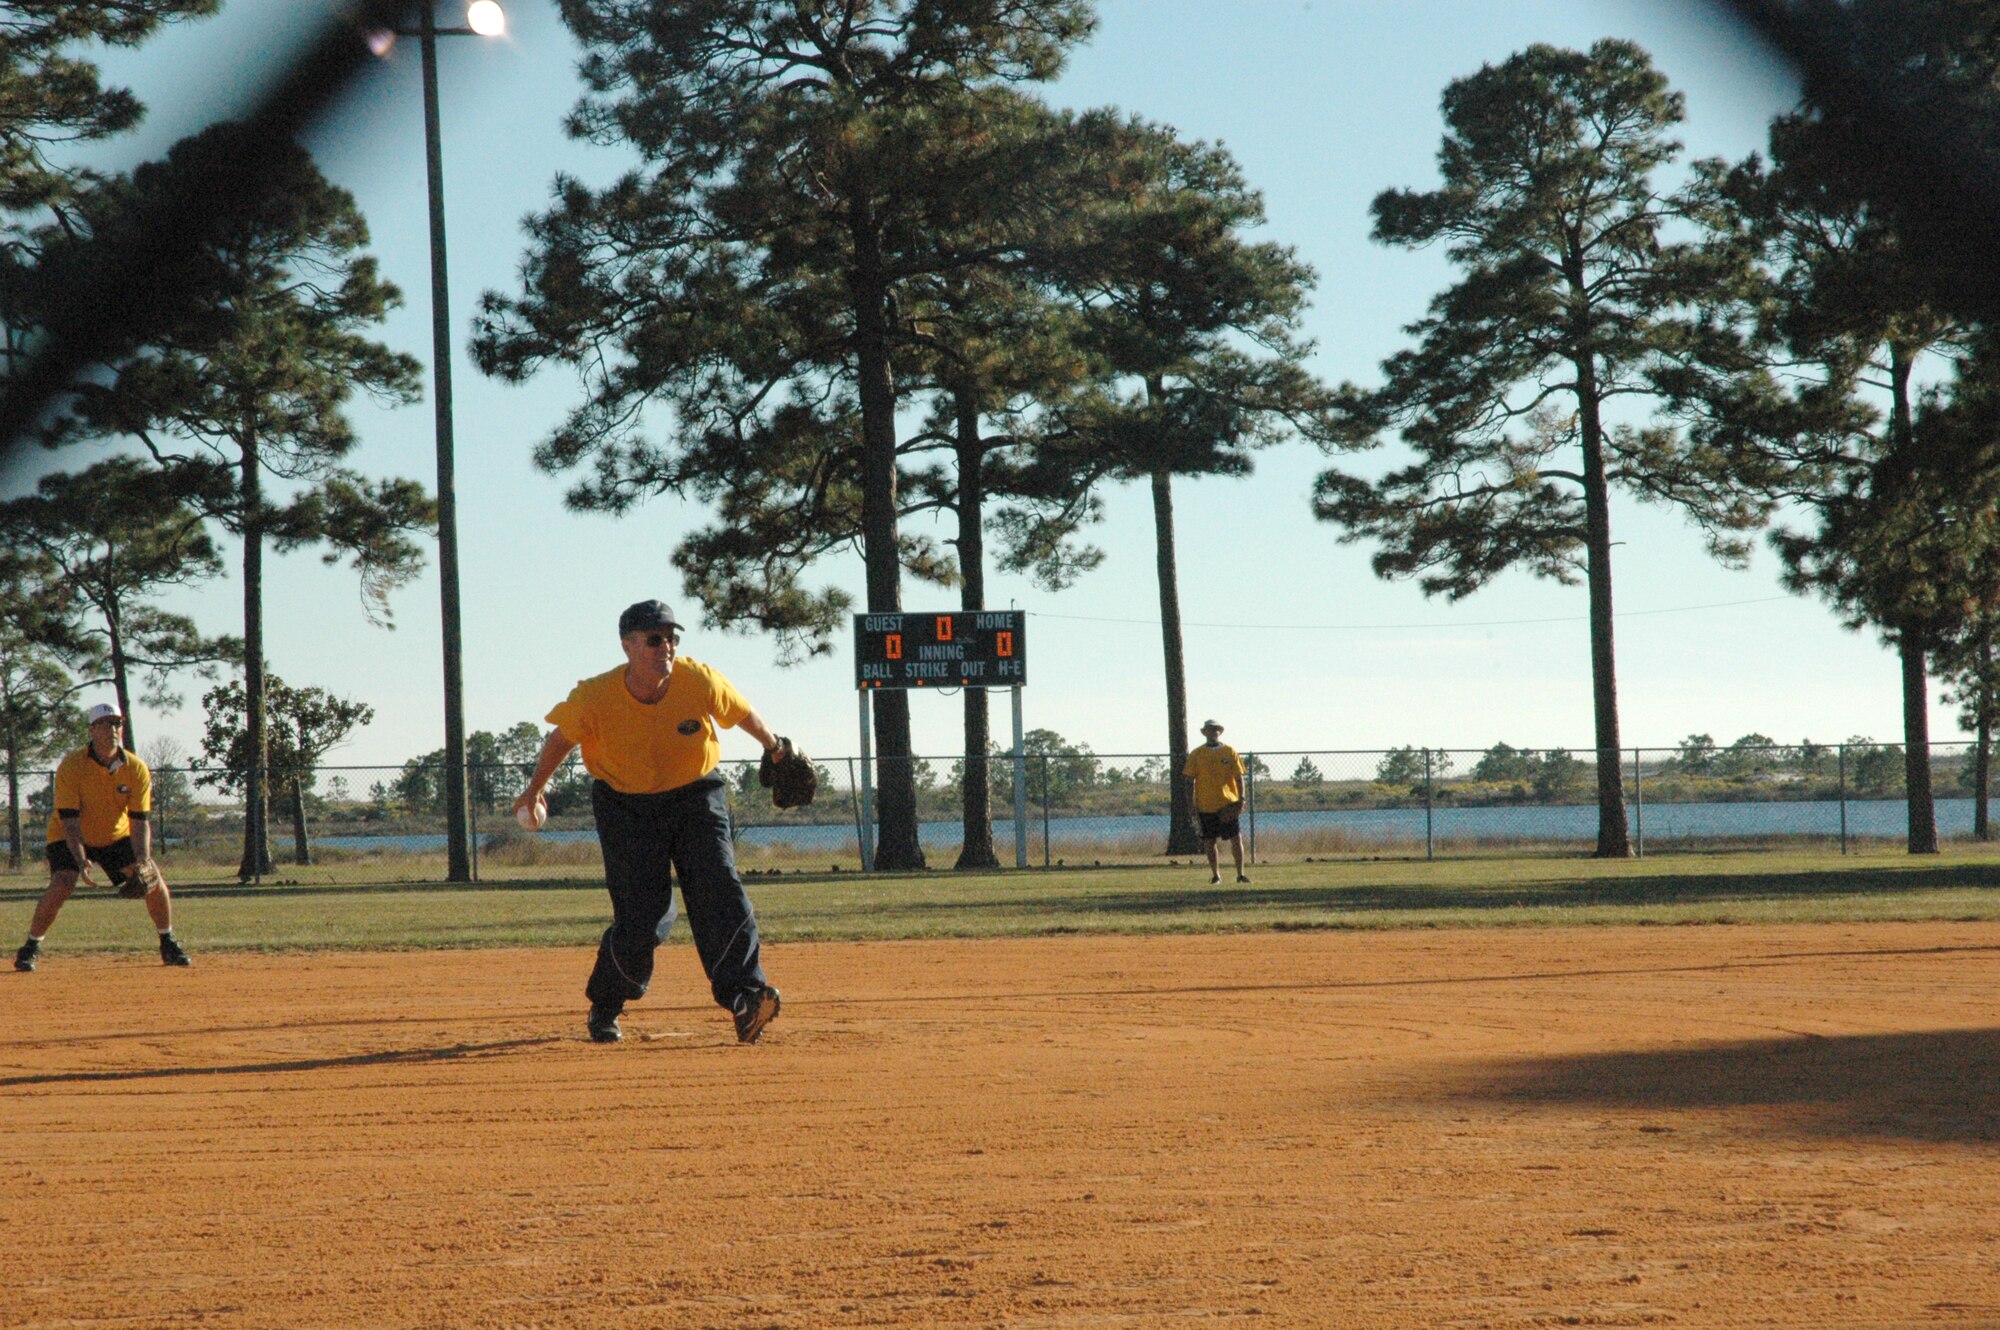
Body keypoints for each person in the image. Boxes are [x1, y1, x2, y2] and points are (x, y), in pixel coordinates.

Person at [514, 600, 785, 1045]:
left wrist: (776, 748)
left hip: (696, 796)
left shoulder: (697, 679)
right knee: (643, 916)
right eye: (655, 639)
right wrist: (534, 789)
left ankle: (746, 999)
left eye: (672, 638)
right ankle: (606, 1005)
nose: (667, 647)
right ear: (627, 645)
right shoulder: (595, 695)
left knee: (719, 886)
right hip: (626, 806)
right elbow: (561, 738)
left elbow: (740, 713)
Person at [15, 702, 191, 972]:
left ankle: (168, 941)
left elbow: (140, 822)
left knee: (152, 879)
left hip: (114, 835)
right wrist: (81, 859)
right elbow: (70, 819)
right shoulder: (73, 765)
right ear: (92, 729)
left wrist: (143, 860)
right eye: (106, 723)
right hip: (68, 834)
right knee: (63, 882)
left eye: (117, 723)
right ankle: (31, 947)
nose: (113, 728)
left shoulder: (136, 768)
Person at [1184, 717, 1250, 886]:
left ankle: (1240, 874)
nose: (1213, 732)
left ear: (1220, 731)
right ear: (1204, 732)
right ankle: (1216, 875)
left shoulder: (1229, 751)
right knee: (1209, 841)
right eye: (1209, 729)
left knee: (1236, 839)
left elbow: (1239, 777)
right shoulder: (1196, 754)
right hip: (1206, 805)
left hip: (1227, 804)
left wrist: (1241, 799)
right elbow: (1189, 780)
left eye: (1216, 729)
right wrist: (1191, 805)